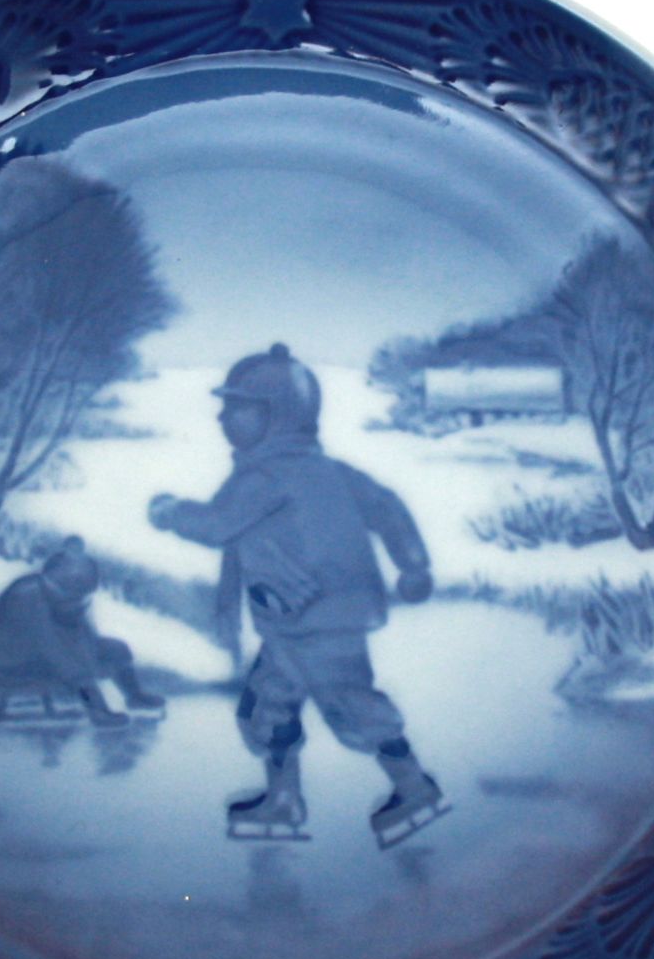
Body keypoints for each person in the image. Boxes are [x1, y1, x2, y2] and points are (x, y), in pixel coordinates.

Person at [148, 343, 448, 848]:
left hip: (319, 623)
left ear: (277, 414)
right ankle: (284, 799)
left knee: (352, 706)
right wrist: (413, 566)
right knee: (268, 707)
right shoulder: (328, 469)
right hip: (294, 625)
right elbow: (388, 509)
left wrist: (170, 511)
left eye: (236, 407)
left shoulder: (266, 476)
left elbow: (218, 525)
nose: (223, 417)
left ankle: (414, 787)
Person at [0, 536, 164, 728]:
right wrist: (86, 679)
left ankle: (134, 696)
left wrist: (91, 654)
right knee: (71, 663)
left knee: (116, 649)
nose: (75, 602)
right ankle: (97, 711)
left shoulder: (73, 596)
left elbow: (84, 635)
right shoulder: (28, 595)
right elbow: (50, 645)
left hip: (41, 650)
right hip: (4, 654)